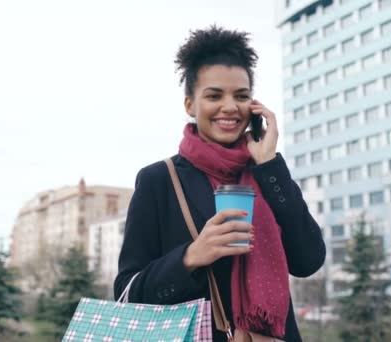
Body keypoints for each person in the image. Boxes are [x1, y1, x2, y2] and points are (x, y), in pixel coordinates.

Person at [114, 26, 326, 341]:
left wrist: (270, 166)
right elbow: (127, 293)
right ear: (190, 104)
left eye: (241, 96)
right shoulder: (159, 179)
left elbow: (308, 261)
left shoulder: (266, 173)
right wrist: (191, 257)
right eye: (214, 96)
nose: (230, 107)